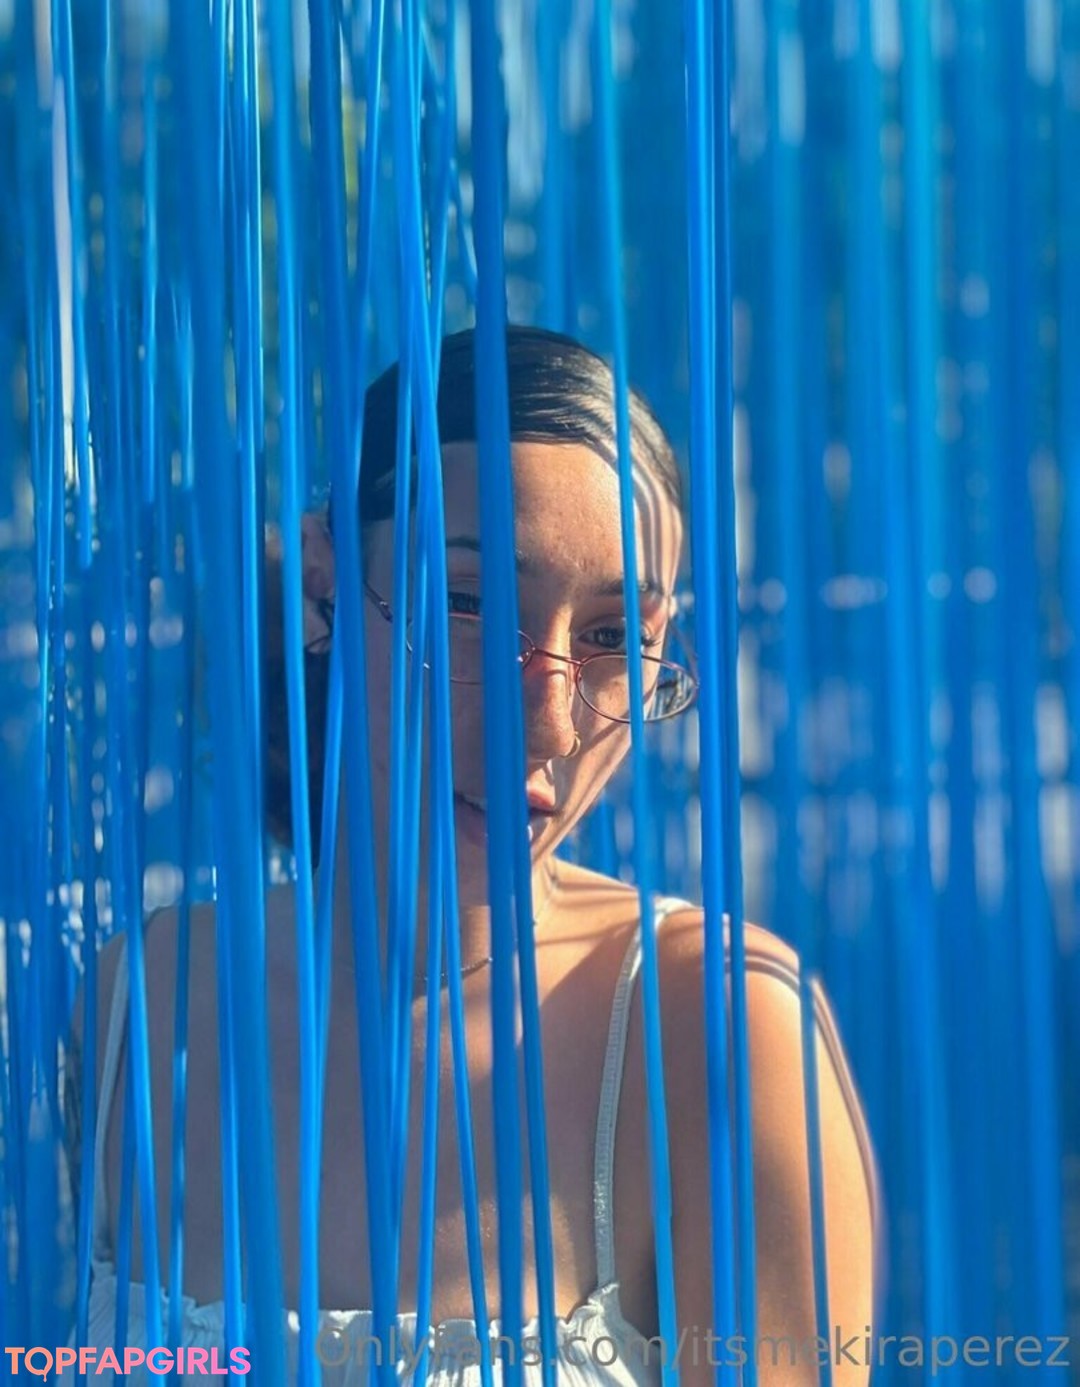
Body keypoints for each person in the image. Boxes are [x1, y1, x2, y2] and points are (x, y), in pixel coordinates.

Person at [64, 325, 881, 1384]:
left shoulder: (719, 1030)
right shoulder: (140, 1001)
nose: (549, 723)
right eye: (466, 603)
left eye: (613, 637)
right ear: (323, 580)